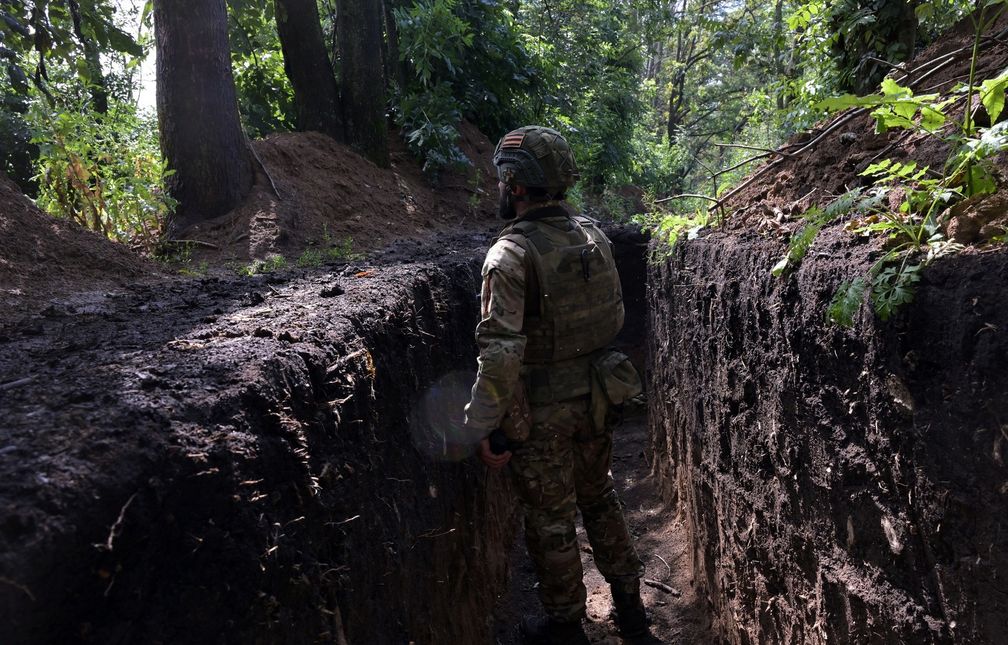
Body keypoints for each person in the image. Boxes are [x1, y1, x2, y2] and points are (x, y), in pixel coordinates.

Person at [464, 125, 647, 644]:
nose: (499, 188)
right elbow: (612, 320)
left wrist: (482, 424)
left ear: (517, 186)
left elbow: (500, 352)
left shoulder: (510, 256)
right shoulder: (594, 236)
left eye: (503, 179)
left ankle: (566, 625)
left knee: (550, 517)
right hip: (597, 399)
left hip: (542, 413)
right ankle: (631, 608)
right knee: (601, 497)